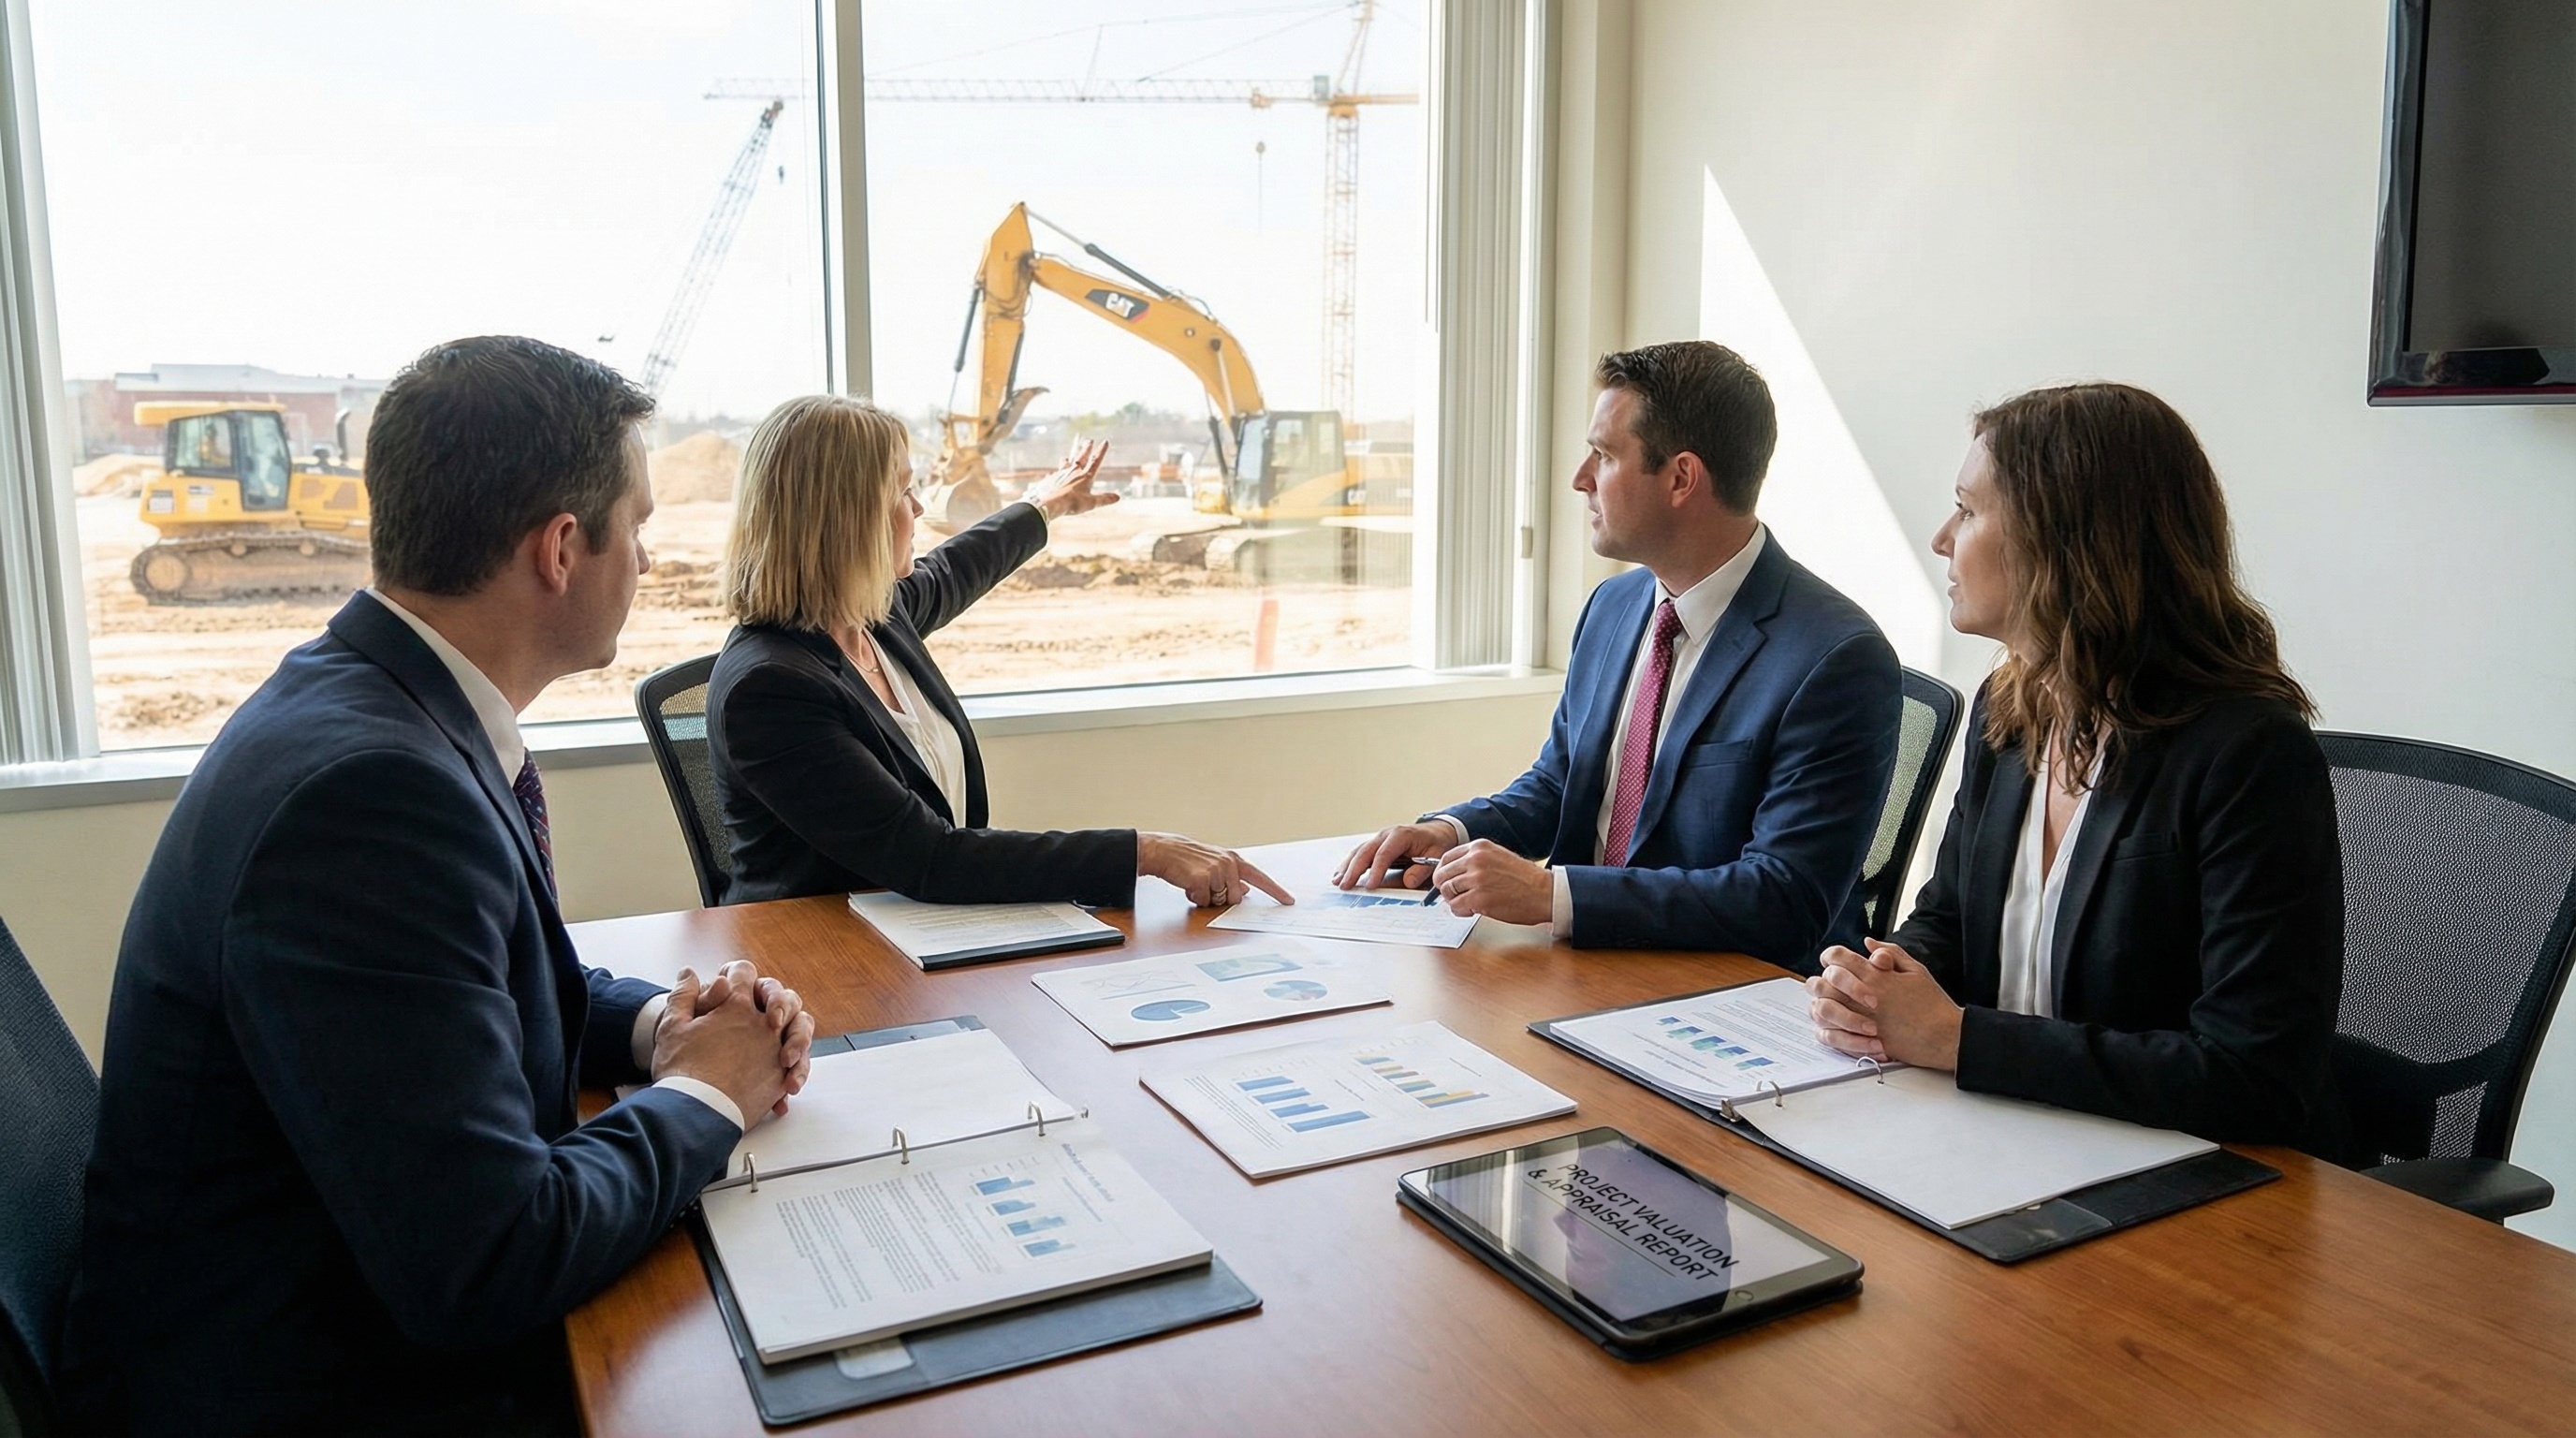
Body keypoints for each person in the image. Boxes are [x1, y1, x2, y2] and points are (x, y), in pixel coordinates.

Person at [60, 336, 817, 1436]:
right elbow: (490, 1260)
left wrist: (661, 1030)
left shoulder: (374, 701)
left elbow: (474, 980)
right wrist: (709, 1095)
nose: (647, 560)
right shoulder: (368, 798)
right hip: (303, 1383)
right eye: (639, 525)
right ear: (561, 547)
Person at [1805, 382, 2345, 1150]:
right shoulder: (2010, 711)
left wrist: (1958, 1040)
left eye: (1967, 509)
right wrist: (1880, 985)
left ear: (2061, 540)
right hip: (2014, 1140)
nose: (1940, 538)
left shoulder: (2249, 755)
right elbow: (1951, 921)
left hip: (2195, 1187)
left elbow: (2253, 1079)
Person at [1335, 341, 1901, 969]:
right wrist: (1451, 832)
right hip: (1589, 966)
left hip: (1729, 991)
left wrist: (1553, 894)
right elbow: (1563, 782)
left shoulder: (1835, 657)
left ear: (1682, 478)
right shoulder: (1613, 606)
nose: (1580, 478)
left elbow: (1783, 899)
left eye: (1604, 456)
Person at [708, 394, 1290, 910]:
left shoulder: (872, 619)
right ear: (844, 520)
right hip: (827, 964)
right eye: (902, 491)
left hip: (922, 929)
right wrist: (1146, 851)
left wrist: (1044, 504)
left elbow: (955, 568)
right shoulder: (769, 688)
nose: (918, 509)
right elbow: (930, 858)